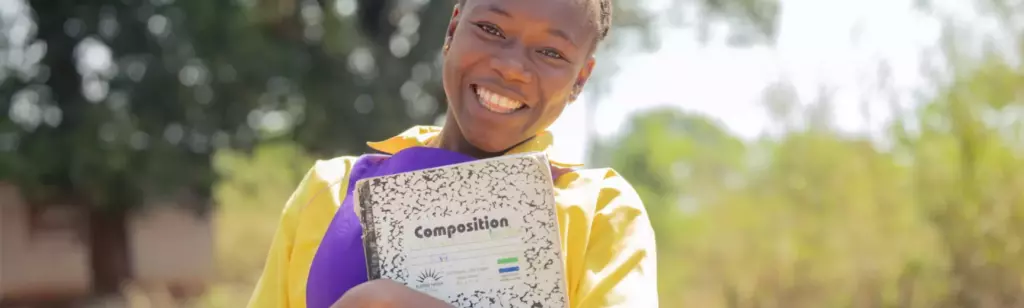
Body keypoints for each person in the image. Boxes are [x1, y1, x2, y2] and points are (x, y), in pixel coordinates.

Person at [247, 0, 658, 306]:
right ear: (452, 29)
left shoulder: (600, 212)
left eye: (551, 53)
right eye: (491, 29)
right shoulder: (332, 191)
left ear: (579, 80)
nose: (512, 67)